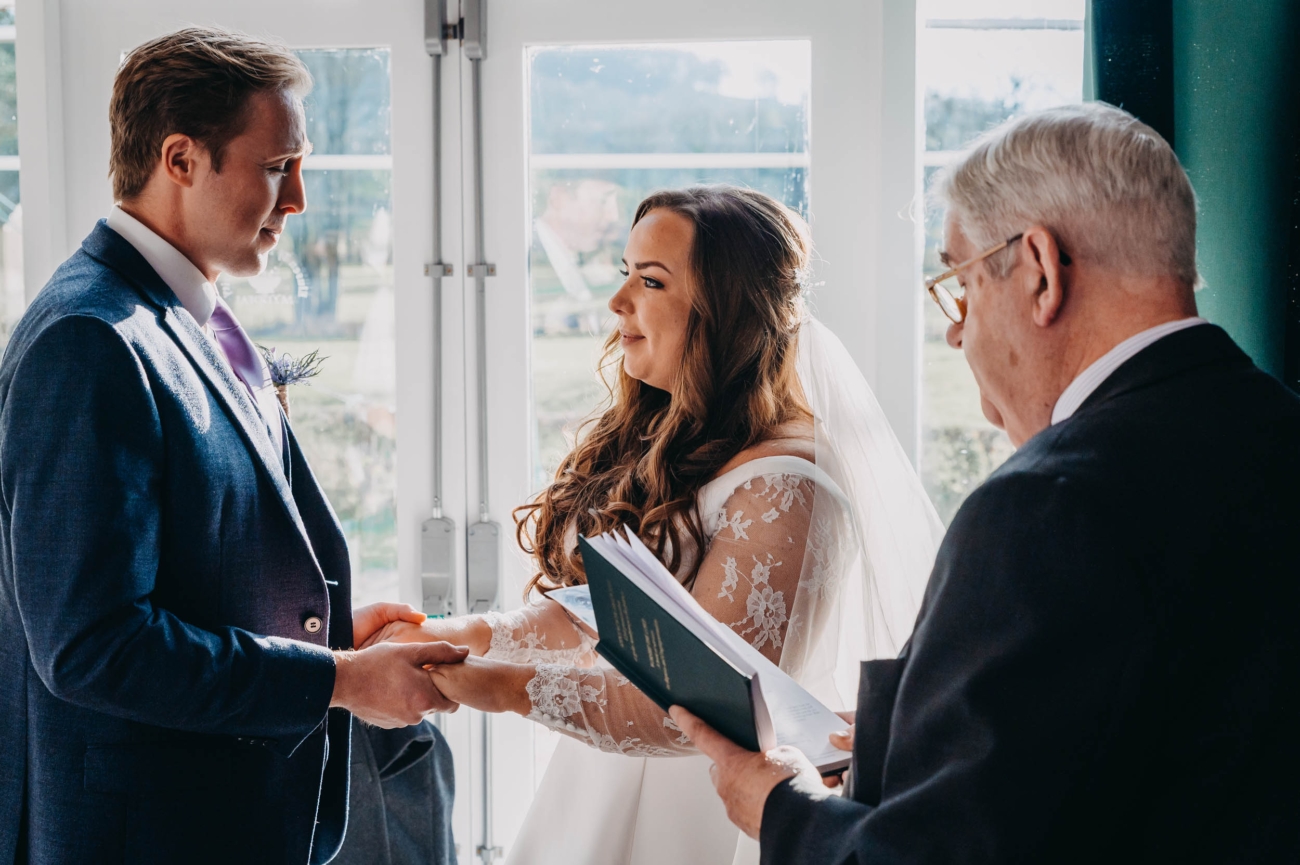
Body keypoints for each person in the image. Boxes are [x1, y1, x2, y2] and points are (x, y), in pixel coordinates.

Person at [677, 102, 1300, 863]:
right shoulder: (1274, 427)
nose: (956, 331)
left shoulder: (1043, 507)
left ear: (1039, 270)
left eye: (960, 286)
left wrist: (780, 803)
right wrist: (898, 734)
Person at [365, 185, 943, 864]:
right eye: (624, 275)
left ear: (726, 309)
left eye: (651, 280)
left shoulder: (787, 487)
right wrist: (470, 633)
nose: (618, 303)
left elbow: (706, 701)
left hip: (702, 816)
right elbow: (621, 618)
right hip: (601, 785)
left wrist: (501, 686)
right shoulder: (690, 442)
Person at [0, 28, 465, 865]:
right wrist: (337, 681)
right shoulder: (89, 340)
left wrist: (326, 635)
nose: (298, 202)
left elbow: (189, 572)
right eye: (279, 167)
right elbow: (93, 646)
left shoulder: (180, 313)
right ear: (181, 159)